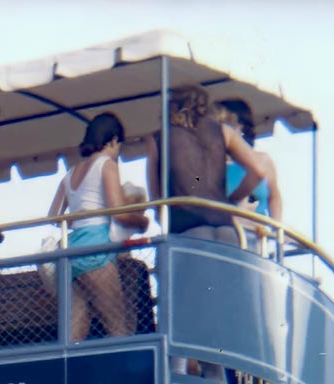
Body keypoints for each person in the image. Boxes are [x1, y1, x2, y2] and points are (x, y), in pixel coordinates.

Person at [47, 113, 150, 340]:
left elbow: (53, 216)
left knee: (77, 326)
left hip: (70, 251)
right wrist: (142, 222)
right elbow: (118, 212)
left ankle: (66, 373)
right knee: (118, 324)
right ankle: (121, 374)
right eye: (118, 146)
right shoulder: (107, 164)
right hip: (96, 249)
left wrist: (80, 216)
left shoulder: (71, 172)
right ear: (113, 140)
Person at [144, 85, 269, 245]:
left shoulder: (158, 139)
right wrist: (232, 200)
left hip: (186, 230)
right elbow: (258, 171)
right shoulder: (224, 132)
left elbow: (156, 197)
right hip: (227, 228)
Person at [212, 99, 283, 252]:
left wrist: (276, 228)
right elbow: (196, 184)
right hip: (224, 236)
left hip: (256, 238)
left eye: (226, 123)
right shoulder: (209, 164)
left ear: (240, 127)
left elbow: (274, 196)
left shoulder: (263, 161)